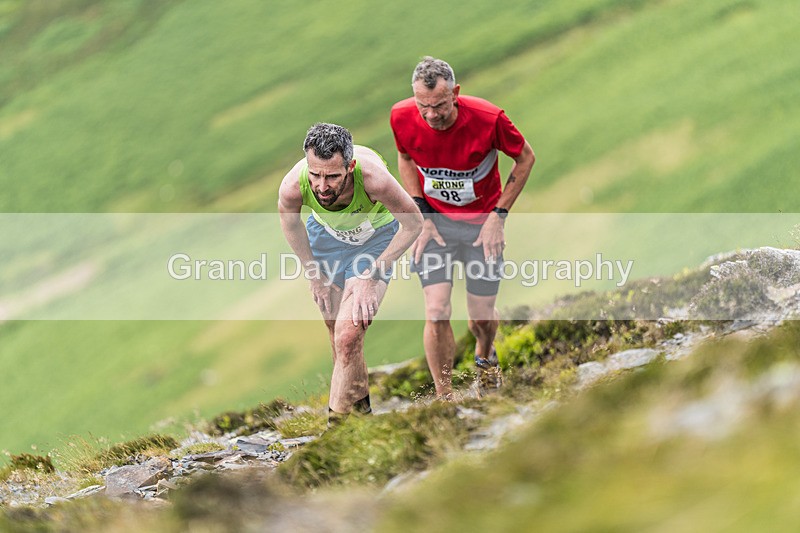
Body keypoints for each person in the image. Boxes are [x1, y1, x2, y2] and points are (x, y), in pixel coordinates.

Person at [390, 56, 536, 399]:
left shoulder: (489, 119)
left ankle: (485, 354)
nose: (430, 115)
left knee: (481, 318)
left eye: (439, 105)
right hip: (435, 228)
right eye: (422, 106)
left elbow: (525, 158)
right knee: (437, 309)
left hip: (481, 227)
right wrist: (422, 215)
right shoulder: (401, 116)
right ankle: (445, 397)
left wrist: (498, 218)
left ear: (455, 93)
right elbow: (406, 158)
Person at [278, 123, 422, 424]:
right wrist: (313, 273)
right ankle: (361, 417)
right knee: (337, 333)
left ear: (350, 166)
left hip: (374, 240)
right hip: (327, 239)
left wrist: (373, 274)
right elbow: (290, 223)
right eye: (315, 174)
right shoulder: (294, 185)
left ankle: (336, 430)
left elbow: (413, 224)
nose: (321, 186)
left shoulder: (374, 180)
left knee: (349, 334)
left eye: (332, 176)